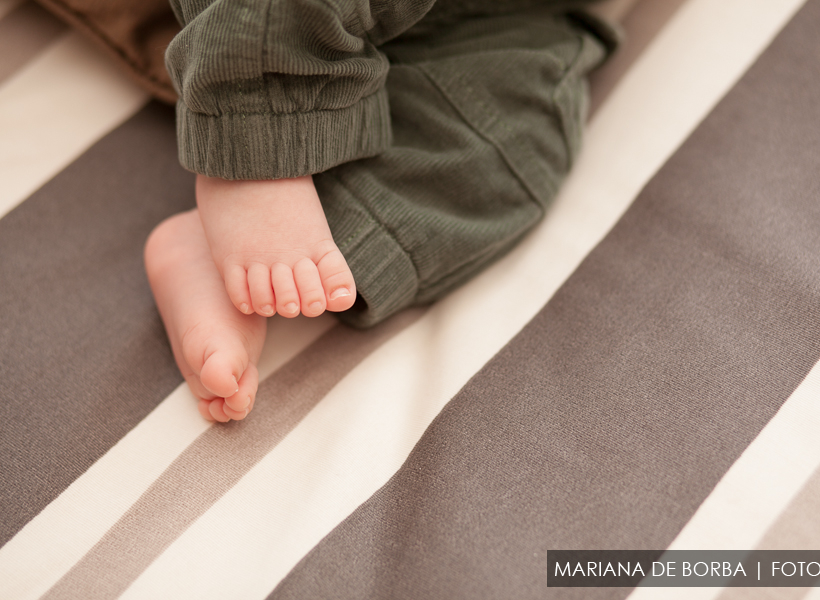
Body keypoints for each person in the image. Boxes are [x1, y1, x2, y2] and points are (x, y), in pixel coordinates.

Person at [144, 0, 616, 423]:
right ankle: (252, 138)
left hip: (504, 20)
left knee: (515, 146)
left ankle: (219, 252)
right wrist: (259, 138)